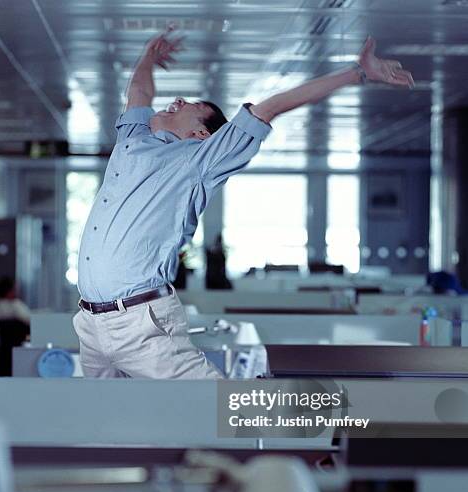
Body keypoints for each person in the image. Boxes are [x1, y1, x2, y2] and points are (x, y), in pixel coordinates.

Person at [74, 27, 413, 379]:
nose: (177, 101)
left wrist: (356, 73)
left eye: (191, 106)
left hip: (139, 323)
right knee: (106, 427)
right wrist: (148, 55)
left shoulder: (198, 161)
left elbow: (272, 107)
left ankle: (325, 427)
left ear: (200, 134)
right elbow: (140, 92)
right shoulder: (135, 137)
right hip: (90, 324)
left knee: (227, 412)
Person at [0, 277, 30, 376]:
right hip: (14, 350)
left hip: (4, 351)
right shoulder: (18, 307)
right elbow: (29, 322)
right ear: (10, 291)